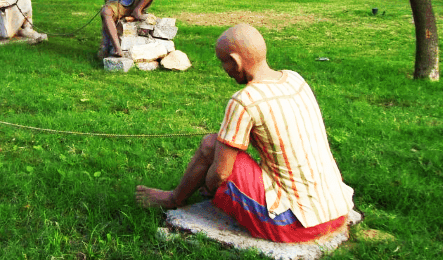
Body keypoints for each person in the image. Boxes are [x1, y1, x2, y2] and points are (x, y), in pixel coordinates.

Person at [136, 24, 355, 243]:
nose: (224, 69)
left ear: (236, 61)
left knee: (211, 145)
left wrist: (211, 185)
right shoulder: (295, 78)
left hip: (294, 225)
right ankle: (180, 195)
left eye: (223, 62)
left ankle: (174, 199)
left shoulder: (244, 100)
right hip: (336, 210)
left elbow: (221, 173)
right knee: (222, 149)